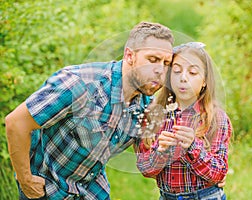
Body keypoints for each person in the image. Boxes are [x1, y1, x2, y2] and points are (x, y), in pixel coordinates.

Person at [5, 21, 174, 200]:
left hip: (92, 192)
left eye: (166, 63)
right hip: (48, 189)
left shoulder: (146, 106)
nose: (160, 70)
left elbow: (148, 161)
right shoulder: (79, 84)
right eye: (153, 60)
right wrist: (25, 180)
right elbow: (16, 123)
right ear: (130, 56)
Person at [135, 42, 232, 200]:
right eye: (177, 71)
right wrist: (161, 152)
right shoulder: (155, 115)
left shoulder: (215, 118)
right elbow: (145, 169)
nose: (183, 78)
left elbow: (218, 173)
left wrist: (192, 146)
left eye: (193, 73)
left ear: (205, 81)